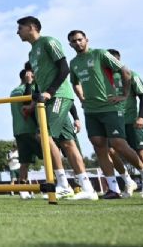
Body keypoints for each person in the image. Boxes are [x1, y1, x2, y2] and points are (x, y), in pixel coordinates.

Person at [67, 31, 143, 199]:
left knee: (119, 144)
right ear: (70, 44)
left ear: (86, 39)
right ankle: (113, 189)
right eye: (74, 41)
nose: (78, 43)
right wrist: (82, 98)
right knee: (99, 146)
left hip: (110, 108)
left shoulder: (100, 54)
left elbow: (125, 71)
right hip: (91, 111)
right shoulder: (73, 63)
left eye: (80, 39)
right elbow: (75, 83)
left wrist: (124, 94)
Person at [17, 16, 96, 200]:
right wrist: (33, 103)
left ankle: (62, 184)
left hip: (58, 95)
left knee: (43, 134)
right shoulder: (32, 53)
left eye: (20, 28)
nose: (17, 32)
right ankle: (87, 187)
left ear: (31, 27)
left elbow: (64, 68)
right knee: (68, 142)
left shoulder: (49, 42)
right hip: (48, 98)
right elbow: (41, 81)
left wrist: (51, 92)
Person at [107, 49, 143, 199]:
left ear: (119, 60)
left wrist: (141, 117)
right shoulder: (104, 78)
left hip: (132, 120)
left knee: (140, 152)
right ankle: (128, 181)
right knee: (111, 151)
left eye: (114, 60)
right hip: (114, 121)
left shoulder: (131, 75)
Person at [10, 68, 41, 199]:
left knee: (24, 162)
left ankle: (23, 190)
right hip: (31, 129)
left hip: (18, 131)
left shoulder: (13, 91)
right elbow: (28, 103)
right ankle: (58, 186)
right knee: (51, 155)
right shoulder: (27, 89)